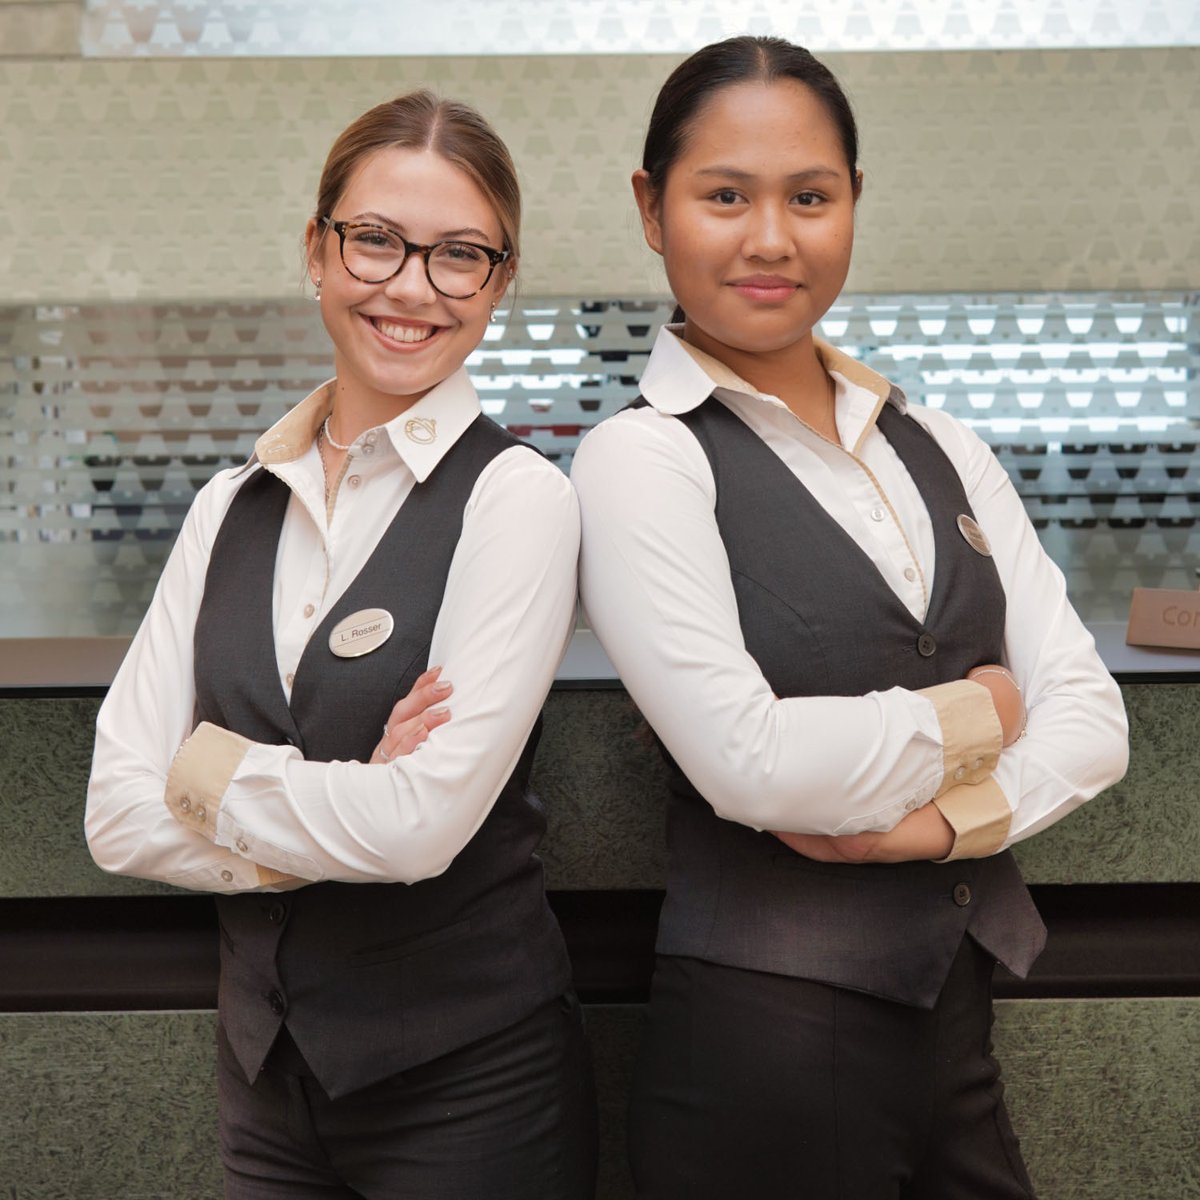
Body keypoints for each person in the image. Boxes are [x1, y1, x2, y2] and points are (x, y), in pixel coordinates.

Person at [571, 36, 1128, 1200]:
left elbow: (1090, 720)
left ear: (854, 206)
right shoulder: (641, 459)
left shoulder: (942, 446)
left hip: (955, 1031)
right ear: (651, 206)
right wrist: (979, 711)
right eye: (725, 195)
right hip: (759, 1064)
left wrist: (935, 827)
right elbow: (750, 764)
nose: (771, 238)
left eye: (809, 198)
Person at [86, 90, 596, 1199]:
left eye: (459, 255)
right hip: (266, 1087)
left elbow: (421, 828)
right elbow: (115, 812)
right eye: (374, 241)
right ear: (316, 252)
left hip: (470, 1091)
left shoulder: (517, 502)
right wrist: (350, 792)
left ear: (500, 285)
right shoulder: (230, 506)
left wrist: (211, 779)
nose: (410, 286)